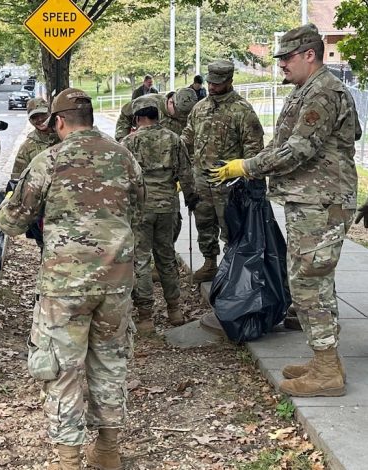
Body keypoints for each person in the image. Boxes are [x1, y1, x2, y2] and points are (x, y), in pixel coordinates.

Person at [0, 88, 144, 470]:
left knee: (62, 369)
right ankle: (108, 450)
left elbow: (12, 221)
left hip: (66, 286)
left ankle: (68, 459)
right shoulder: (124, 156)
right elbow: (137, 210)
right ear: (90, 117)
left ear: (59, 121)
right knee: (110, 361)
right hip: (116, 280)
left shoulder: (50, 159)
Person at [209, 24, 360, 397]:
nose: (281, 66)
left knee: (309, 283)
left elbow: (298, 150)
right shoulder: (308, 90)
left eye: (286, 58)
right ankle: (326, 360)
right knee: (311, 280)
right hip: (311, 200)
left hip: (321, 202)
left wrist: (246, 166)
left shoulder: (323, 92)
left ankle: (327, 371)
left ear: (310, 54)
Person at [181, 60, 265, 283]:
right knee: (204, 223)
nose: (212, 87)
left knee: (231, 227)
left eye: (218, 83)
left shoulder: (242, 110)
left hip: (228, 183)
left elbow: (254, 149)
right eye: (210, 82)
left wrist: (246, 177)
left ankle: (232, 269)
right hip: (201, 181)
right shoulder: (199, 108)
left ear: (229, 81)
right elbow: (187, 139)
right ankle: (210, 263)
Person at [121, 95, 197, 331]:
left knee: (141, 260)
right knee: (166, 258)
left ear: (139, 118)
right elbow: (186, 173)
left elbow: (122, 178)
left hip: (141, 209)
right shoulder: (174, 139)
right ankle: (174, 309)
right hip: (167, 207)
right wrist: (191, 198)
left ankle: (145, 316)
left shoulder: (129, 143)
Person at [115, 87, 198, 141]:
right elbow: (124, 116)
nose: (183, 117)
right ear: (171, 101)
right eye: (180, 113)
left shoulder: (190, 112)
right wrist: (122, 139)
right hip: (142, 151)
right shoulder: (148, 102)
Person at [10, 98, 60, 179]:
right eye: (35, 117)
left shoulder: (64, 136)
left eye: (43, 114)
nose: (40, 119)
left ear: (50, 113)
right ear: (30, 120)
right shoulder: (26, 147)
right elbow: (17, 178)